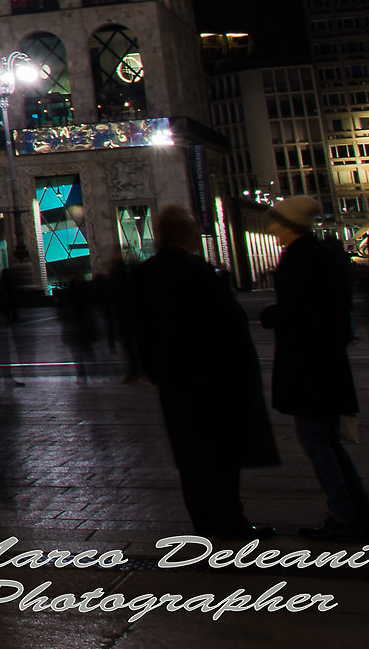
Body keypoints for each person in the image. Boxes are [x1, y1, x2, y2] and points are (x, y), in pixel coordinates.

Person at [127, 205, 277, 539]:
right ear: (185, 233)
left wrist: (156, 371)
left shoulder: (143, 274)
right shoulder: (198, 271)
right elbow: (228, 326)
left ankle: (206, 525)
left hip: (174, 381)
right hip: (213, 378)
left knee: (191, 457)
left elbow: (140, 330)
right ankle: (231, 522)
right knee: (222, 453)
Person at [261, 196, 369, 540]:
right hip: (324, 366)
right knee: (327, 441)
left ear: (292, 225)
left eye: (277, 222)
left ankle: (345, 517)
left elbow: (305, 313)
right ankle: (360, 514)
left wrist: (272, 315)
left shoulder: (302, 259)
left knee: (317, 441)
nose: (273, 228)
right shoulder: (320, 257)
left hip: (309, 368)